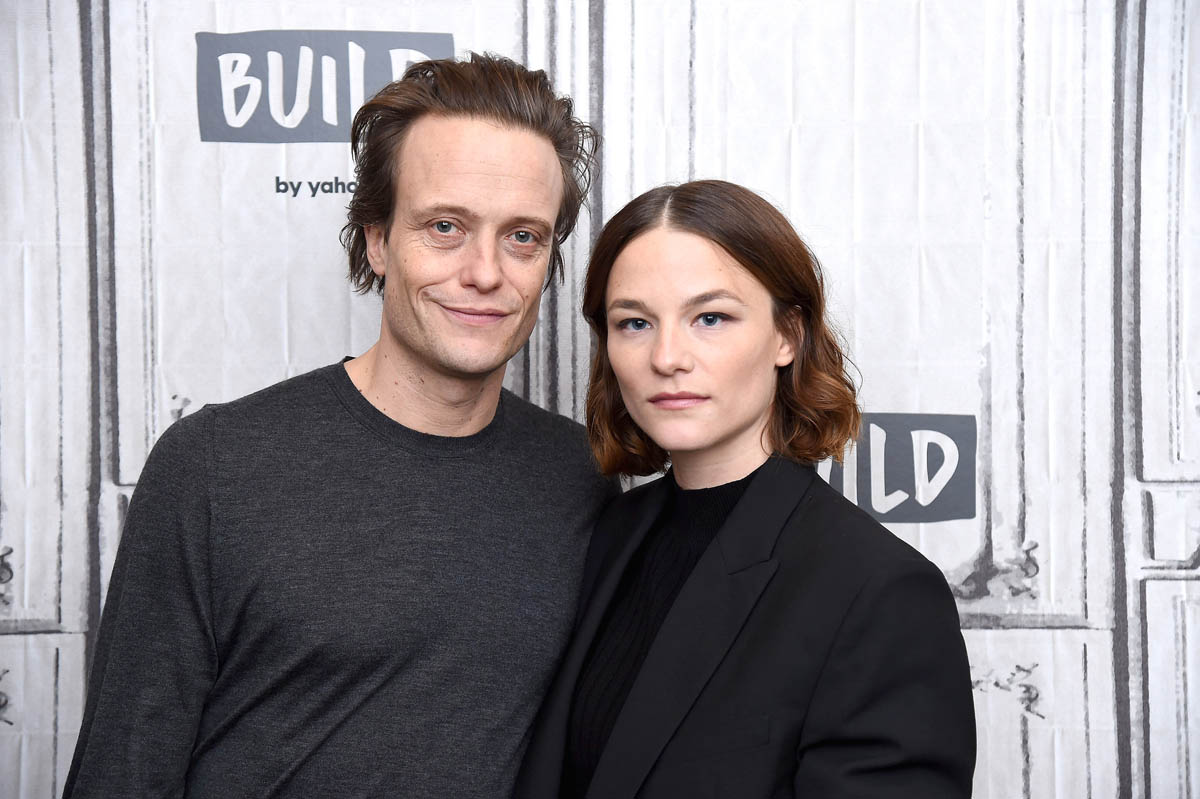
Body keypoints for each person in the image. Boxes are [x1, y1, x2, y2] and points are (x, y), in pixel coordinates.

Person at [64, 53, 615, 799]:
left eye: (523, 236)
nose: (486, 272)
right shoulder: (215, 467)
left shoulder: (582, 476)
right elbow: (122, 773)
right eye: (445, 226)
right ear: (377, 240)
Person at [516, 180, 976, 798]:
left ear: (788, 335)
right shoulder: (607, 532)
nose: (667, 357)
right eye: (635, 323)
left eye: (711, 318)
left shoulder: (880, 592)